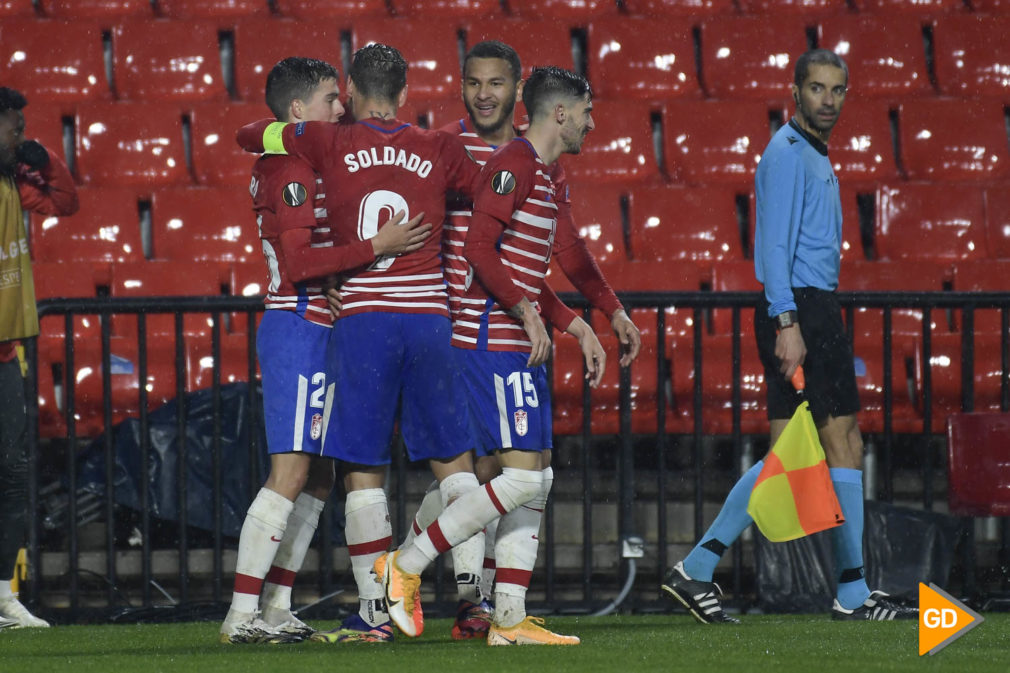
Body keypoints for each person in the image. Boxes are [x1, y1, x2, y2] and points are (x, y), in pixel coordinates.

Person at [237, 44, 601, 644]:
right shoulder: (438, 148)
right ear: (406, 94)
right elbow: (489, 198)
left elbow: (250, 135)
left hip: (363, 321)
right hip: (434, 320)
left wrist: (286, 130)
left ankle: (376, 613)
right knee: (456, 464)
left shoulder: (330, 142)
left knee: (362, 471)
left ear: (351, 93)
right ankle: (475, 603)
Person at [396, 39, 643, 641]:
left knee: (531, 475)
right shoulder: (510, 163)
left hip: (512, 338)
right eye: (587, 110)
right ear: (561, 112)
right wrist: (531, 313)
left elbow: (555, 258)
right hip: (484, 338)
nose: (593, 121)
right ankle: (407, 565)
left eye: (496, 83)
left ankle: (507, 614)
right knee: (514, 477)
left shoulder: (545, 171)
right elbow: (481, 251)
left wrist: (592, 316)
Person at [660, 49, 918, 623]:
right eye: (818, 89)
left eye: (837, 90)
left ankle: (699, 567)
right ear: (795, 91)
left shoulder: (809, 153)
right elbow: (772, 247)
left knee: (792, 454)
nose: (828, 100)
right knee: (840, 443)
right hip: (801, 309)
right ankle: (849, 590)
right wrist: (788, 323)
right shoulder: (787, 154)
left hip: (809, 307)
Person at [219, 57, 432, 645]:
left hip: (320, 325)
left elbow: (312, 258)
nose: (340, 108)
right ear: (296, 111)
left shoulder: (307, 156)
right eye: (329, 99)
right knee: (289, 472)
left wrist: (333, 279)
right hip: (297, 329)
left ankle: (279, 605)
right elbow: (295, 264)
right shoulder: (288, 165)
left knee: (315, 478)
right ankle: (241, 615)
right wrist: (375, 245)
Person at [0, 86, 78, 628]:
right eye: (12, 126)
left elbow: (66, 203)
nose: (20, 135)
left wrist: (46, 159)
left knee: (13, 472)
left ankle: (2, 596)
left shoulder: (15, 181)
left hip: (5, 354)